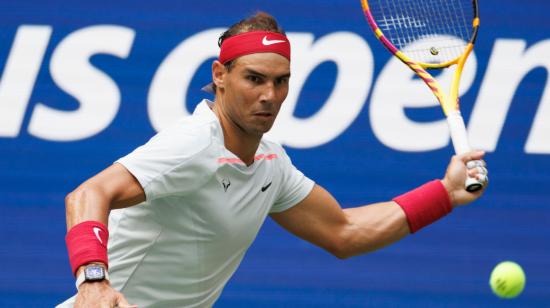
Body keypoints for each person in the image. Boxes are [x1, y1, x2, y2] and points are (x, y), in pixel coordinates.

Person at [57, 11, 488, 308]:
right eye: (254, 79)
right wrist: (93, 282)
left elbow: (345, 231)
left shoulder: (270, 164)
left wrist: (445, 194)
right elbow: (89, 193)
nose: (269, 95)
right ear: (219, 76)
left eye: (281, 82)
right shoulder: (192, 143)